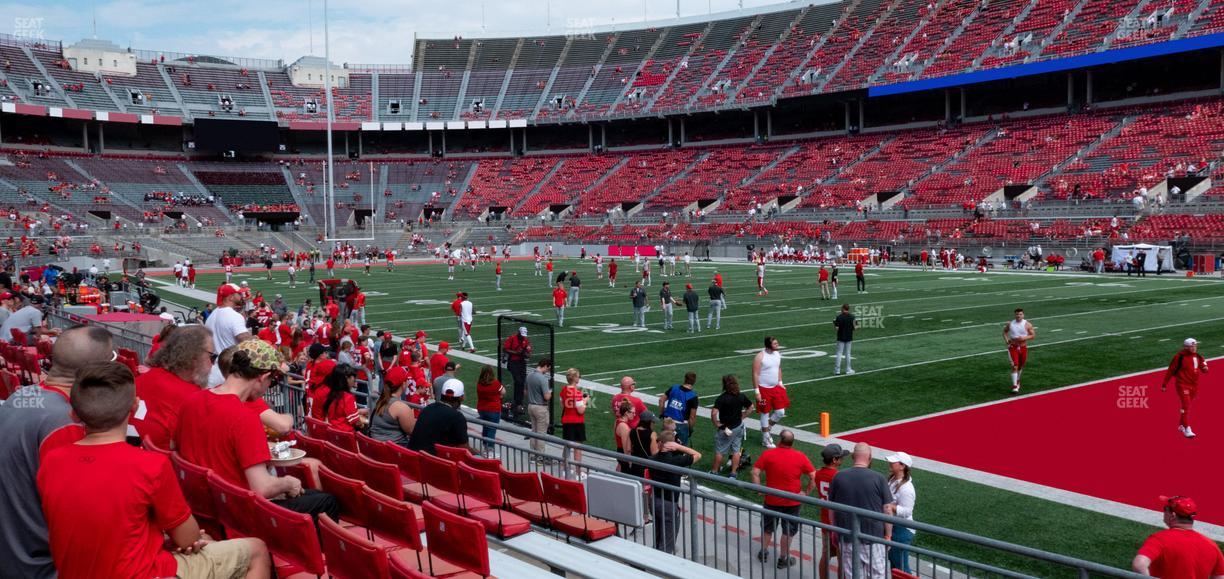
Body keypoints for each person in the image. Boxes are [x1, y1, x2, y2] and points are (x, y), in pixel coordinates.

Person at [37, 362, 270, 579]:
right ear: (134, 407)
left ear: (74, 414)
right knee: (256, 549)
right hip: (144, 573)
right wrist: (193, 537)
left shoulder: (50, 461)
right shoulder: (150, 465)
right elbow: (187, 538)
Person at [176, 340, 340, 522]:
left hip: (201, 505)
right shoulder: (244, 418)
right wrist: (288, 482)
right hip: (235, 512)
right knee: (327, 502)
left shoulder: (192, 400)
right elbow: (262, 487)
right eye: (272, 381)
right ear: (263, 376)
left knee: (312, 497)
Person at [0, 326, 115, 579]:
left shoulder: (20, 397)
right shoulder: (65, 423)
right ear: (97, 372)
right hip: (43, 565)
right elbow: (81, 522)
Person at [131, 326, 215, 450]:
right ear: (194, 357)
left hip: (129, 450)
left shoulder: (145, 377)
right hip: (158, 463)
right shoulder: (192, 397)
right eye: (211, 356)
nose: (212, 363)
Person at [829, 442, 895, 579]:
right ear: (870, 457)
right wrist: (888, 535)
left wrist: (834, 531)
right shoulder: (879, 478)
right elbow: (887, 510)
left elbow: (832, 508)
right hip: (873, 537)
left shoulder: (838, 476)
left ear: (853, 456)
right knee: (877, 575)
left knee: (852, 574)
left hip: (846, 535)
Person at [752, 430, 816, 569]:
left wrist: (759, 489)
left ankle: (763, 552)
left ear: (780, 440)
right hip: (792, 501)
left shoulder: (768, 454)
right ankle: (783, 558)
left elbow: (755, 472)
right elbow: (813, 475)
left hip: (771, 499)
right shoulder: (800, 456)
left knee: (768, 528)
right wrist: (806, 493)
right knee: (788, 531)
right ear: (792, 442)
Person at [1132, 495, 1224, 577]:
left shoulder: (1160, 539)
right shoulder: (1212, 545)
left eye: (1165, 509)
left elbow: (1139, 565)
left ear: (1172, 515)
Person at [650, 430, 701, 554]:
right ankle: (660, 567)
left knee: (658, 536)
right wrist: (679, 447)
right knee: (667, 542)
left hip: (654, 500)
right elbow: (697, 455)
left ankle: (653, 560)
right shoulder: (676, 461)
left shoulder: (652, 459)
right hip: (669, 503)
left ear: (659, 443)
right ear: (672, 446)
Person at [205, 283, 252, 386]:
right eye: (238, 294)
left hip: (213, 368)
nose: (241, 296)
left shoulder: (212, 314)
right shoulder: (234, 316)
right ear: (231, 297)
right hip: (228, 369)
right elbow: (246, 340)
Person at [815, 444, 850, 579]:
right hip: (839, 523)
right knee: (843, 558)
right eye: (841, 457)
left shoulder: (818, 474)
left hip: (825, 521)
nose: (843, 459)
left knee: (826, 555)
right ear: (834, 460)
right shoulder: (840, 476)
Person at [408, 378, 470, 455]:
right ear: (461, 397)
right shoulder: (457, 417)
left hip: (413, 457)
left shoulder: (427, 408)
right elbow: (464, 449)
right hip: (431, 462)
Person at [1161, 338, 1208, 438]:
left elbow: (1204, 367)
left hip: (1194, 385)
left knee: (1186, 407)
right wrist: (1164, 384)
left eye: (1195, 346)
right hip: (1182, 385)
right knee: (1185, 406)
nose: (1194, 348)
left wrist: (1205, 368)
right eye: (1191, 346)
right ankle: (1187, 428)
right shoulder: (1179, 357)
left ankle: (1181, 425)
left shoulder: (1198, 356)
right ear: (1185, 347)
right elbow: (1170, 370)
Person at [710, 374, 752, 478]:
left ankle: (714, 472)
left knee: (720, 451)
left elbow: (714, 413)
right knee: (736, 450)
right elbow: (750, 407)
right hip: (738, 426)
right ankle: (733, 473)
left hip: (726, 428)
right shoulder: (741, 396)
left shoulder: (722, 398)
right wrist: (743, 416)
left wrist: (716, 423)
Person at [753, 336, 788, 449]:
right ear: (768, 345)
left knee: (780, 412)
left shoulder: (777, 354)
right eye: (775, 344)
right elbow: (755, 374)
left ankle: (767, 428)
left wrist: (780, 382)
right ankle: (766, 439)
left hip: (775, 387)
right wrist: (757, 391)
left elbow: (778, 368)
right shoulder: (760, 356)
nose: (777, 345)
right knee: (765, 413)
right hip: (763, 389)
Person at [368, 366, 416, 447]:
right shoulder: (401, 408)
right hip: (393, 451)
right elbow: (412, 431)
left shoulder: (380, 399)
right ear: (403, 384)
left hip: (376, 447)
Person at [885, 452, 917, 573]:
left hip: (902, 529)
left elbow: (907, 511)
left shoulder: (906, 488)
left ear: (902, 466)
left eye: (894, 461)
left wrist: (892, 507)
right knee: (895, 565)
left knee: (901, 567)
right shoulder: (893, 479)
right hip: (896, 527)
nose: (890, 463)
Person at [559, 368, 589, 477]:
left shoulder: (564, 389)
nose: (579, 378)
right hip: (576, 422)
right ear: (575, 378)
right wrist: (585, 401)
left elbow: (562, 404)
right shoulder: (577, 392)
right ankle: (578, 471)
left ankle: (564, 467)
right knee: (578, 447)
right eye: (578, 376)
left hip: (566, 420)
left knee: (567, 445)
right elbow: (581, 410)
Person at [321, 364, 367, 433]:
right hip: (346, 435)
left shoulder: (331, 393)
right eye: (353, 377)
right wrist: (364, 425)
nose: (354, 380)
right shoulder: (348, 397)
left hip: (333, 432)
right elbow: (356, 422)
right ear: (347, 378)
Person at [526, 358, 554, 462]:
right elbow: (546, 397)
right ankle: (540, 457)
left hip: (531, 406)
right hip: (540, 408)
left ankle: (533, 455)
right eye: (548, 368)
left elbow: (525, 392)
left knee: (534, 431)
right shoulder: (542, 379)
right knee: (541, 434)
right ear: (546, 365)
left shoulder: (529, 375)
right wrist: (550, 392)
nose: (548, 371)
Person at [659, 372, 699, 445]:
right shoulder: (693, 396)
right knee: (679, 450)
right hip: (681, 425)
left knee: (663, 445)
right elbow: (692, 417)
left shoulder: (674, 388)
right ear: (694, 382)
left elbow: (661, 400)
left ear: (685, 379)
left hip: (667, 422)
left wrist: (662, 413)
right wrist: (690, 429)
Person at [1003, 308, 1035, 393]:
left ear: (1023, 315)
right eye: (1017, 314)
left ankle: (1017, 380)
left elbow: (1033, 335)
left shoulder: (1027, 324)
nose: (1018, 316)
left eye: (1020, 314)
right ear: (1015, 315)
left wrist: (1025, 337)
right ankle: (1014, 386)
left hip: (1023, 347)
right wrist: (1007, 341)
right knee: (1015, 366)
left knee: (1020, 366)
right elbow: (1005, 332)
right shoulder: (1010, 324)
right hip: (1013, 347)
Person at [475, 365, 504, 456]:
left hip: (482, 409)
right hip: (493, 409)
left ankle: (485, 447)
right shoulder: (495, 383)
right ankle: (490, 450)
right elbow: (503, 392)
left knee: (485, 427)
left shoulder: (479, 383)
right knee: (492, 429)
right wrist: (499, 396)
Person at [503, 327, 532, 418]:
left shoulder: (526, 341)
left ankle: (518, 403)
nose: (522, 337)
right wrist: (516, 352)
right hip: (513, 362)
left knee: (521, 383)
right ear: (518, 333)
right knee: (518, 381)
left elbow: (528, 355)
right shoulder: (512, 338)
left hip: (521, 363)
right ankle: (517, 402)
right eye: (521, 335)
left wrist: (524, 353)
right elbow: (505, 349)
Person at [834, 303, 856, 375]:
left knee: (839, 353)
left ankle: (837, 370)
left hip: (840, 337)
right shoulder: (852, 317)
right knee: (848, 354)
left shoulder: (839, 317)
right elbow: (855, 327)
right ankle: (848, 369)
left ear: (843, 308)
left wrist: (835, 323)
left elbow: (837, 328)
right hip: (849, 337)